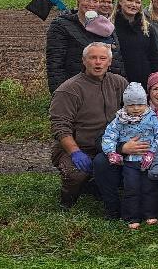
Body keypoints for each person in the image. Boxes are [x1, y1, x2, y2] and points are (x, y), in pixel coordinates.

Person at [49, 42, 128, 210]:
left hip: (110, 145)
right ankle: (67, 199)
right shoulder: (69, 89)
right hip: (81, 147)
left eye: (102, 58)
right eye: (92, 58)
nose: (97, 62)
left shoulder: (119, 83)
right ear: (84, 61)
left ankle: (98, 186)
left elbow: (133, 110)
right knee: (76, 174)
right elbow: (60, 126)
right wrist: (75, 152)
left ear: (109, 62)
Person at [100, 82, 158, 229]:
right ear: (125, 105)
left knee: (149, 187)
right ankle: (132, 217)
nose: (136, 109)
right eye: (131, 105)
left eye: (140, 105)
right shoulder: (119, 120)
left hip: (148, 160)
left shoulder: (152, 119)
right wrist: (112, 152)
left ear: (145, 103)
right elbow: (109, 136)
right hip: (130, 162)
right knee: (132, 188)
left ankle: (150, 214)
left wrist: (152, 152)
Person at [45, 0, 124, 93]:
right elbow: (55, 64)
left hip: (106, 89)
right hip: (77, 89)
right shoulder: (61, 25)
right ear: (78, 1)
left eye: (95, 0)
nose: (91, 4)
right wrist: (59, 93)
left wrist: (119, 88)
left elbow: (117, 59)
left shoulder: (106, 26)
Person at [113, 0, 158, 84]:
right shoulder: (110, 27)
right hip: (117, 81)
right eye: (129, 0)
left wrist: (156, 80)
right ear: (120, 2)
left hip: (143, 81)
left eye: (137, 2)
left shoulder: (146, 29)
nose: (133, 5)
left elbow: (154, 57)